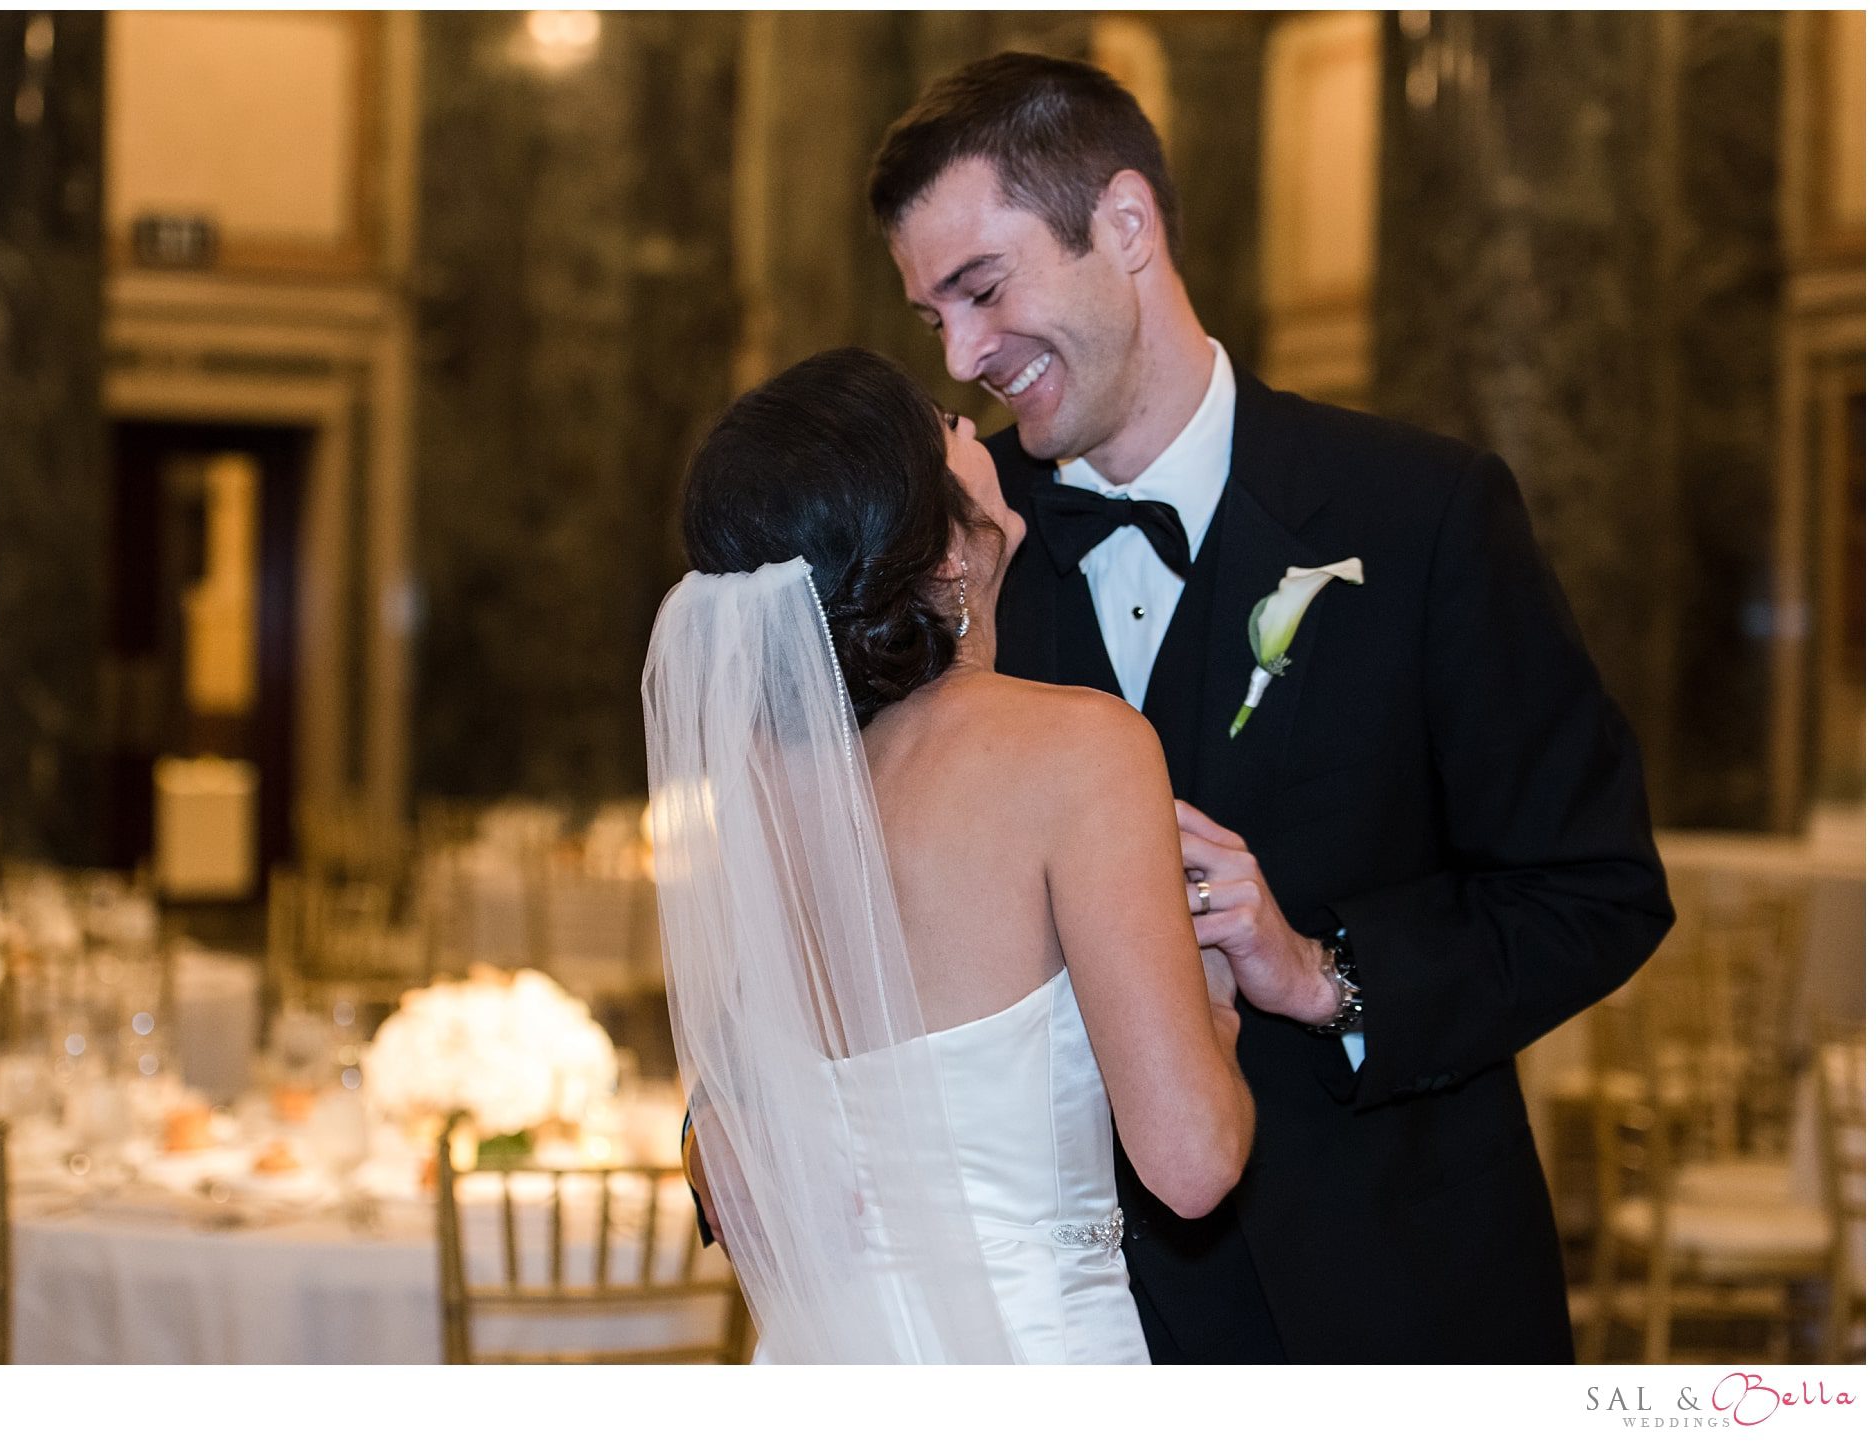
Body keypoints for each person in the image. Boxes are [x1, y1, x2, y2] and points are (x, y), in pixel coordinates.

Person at [861, 51, 1673, 1362]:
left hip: (1386, 1305)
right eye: (931, 318)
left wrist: (1320, 975)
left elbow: (1596, 889)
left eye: (983, 288)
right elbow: (842, 870)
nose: (962, 356)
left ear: (1124, 226)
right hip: (1061, 1339)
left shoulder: (1423, 517)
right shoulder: (951, 553)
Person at [647, 346, 1253, 1362]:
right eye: (940, 428)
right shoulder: (1080, 749)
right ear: (937, 550)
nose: (973, 425)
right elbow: (1189, 1163)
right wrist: (1217, 998)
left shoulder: (760, 778)